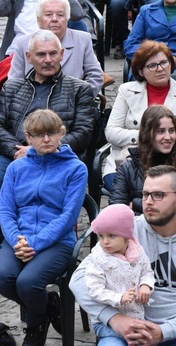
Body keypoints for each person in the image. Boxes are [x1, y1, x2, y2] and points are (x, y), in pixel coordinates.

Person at [71, 165, 176, 345]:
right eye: (145, 195)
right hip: (123, 327)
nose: (148, 201)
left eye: (158, 195)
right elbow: (79, 280)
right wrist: (115, 319)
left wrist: (165, 331)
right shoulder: (125, 232)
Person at [0, 110, 88, 346]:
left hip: (57, 241)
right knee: (3, 276)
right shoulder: (16, 169)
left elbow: (68, 217)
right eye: (39, 135)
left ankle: (35, 325)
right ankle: (48, 306)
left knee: (28, 283)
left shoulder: (76, 169)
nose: (46, 139)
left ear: (61, 133)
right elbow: (6, 211)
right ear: (28, 138)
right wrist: (17, 239)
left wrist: (35, 243)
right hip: (18, 238)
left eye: (51, 133)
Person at [0, 30, 95, 185]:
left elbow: (83, 132)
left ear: (62, 54)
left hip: (57, 155)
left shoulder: (79, 89)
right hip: (15, 154)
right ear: (29, 57)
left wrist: (38, 149)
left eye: (53, 53)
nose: (48, 60)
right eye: (41, 54)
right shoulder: (11, 87)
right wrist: (18, 151)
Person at [104, 40, 176, 173]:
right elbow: (111, 132)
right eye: (152, 65)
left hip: (168, 163)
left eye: (164, 62)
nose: (160, 69)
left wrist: (160, 140)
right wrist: (147, 136)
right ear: (141, 71)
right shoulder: (126, 90)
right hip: (126, 160)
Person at [110, 103, 176, 218]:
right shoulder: (128, 166)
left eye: (172, 130)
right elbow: (117, 209)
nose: (168, 137)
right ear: (147, 134)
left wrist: (138, 204)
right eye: (161, 131)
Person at [8, 0, 102, 97]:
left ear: (67, 19)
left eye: (60, 15)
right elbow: (14, 81)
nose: (54, 19)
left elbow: (95, 76)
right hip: (33, 102)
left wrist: (80, 98)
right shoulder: (23, 43)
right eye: (48, 14)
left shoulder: (82, 39)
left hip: (73, 102)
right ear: (39, 20)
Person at [85, 204, 155, 341]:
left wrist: (145, 285)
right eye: (101, 236)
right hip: (107, 323)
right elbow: (94, 289)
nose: (105, 242)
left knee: (144, 337)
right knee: (139, 337)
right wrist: (119, 298)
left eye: (111, 236)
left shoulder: (137, 252)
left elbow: (147, 271)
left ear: (126, 236)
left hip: (136, 315)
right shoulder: (98, 259)